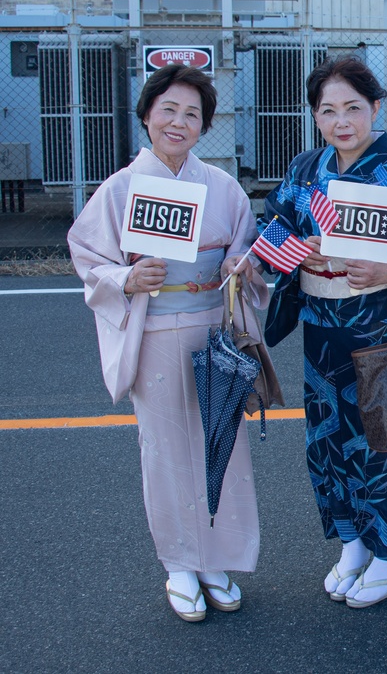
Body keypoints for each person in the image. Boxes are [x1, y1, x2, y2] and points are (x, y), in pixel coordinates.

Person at [68, 65, 266, 622]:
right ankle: (180, 562)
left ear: (204, 127)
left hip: (211, 324)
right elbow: (88, 259)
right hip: (154, 327)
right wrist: (126, 279)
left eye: (192, 114)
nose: (178, 122)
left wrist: (238, 265)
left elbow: (250, 254)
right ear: (147, 116)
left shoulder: (222, 187)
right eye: (169, 110)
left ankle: (216, 558)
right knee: (166, 450)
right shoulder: (121, 188)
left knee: (221, 444)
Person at [261, 56, 387, 608]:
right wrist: (278, 254)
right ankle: (351, 541)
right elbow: (276, 227)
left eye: (352, 108)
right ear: (315, 116)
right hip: (322, 327)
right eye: (328, 111)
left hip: (383, 327)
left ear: (375, 109)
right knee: (329, 436)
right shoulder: (305, 169)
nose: (341, 121)